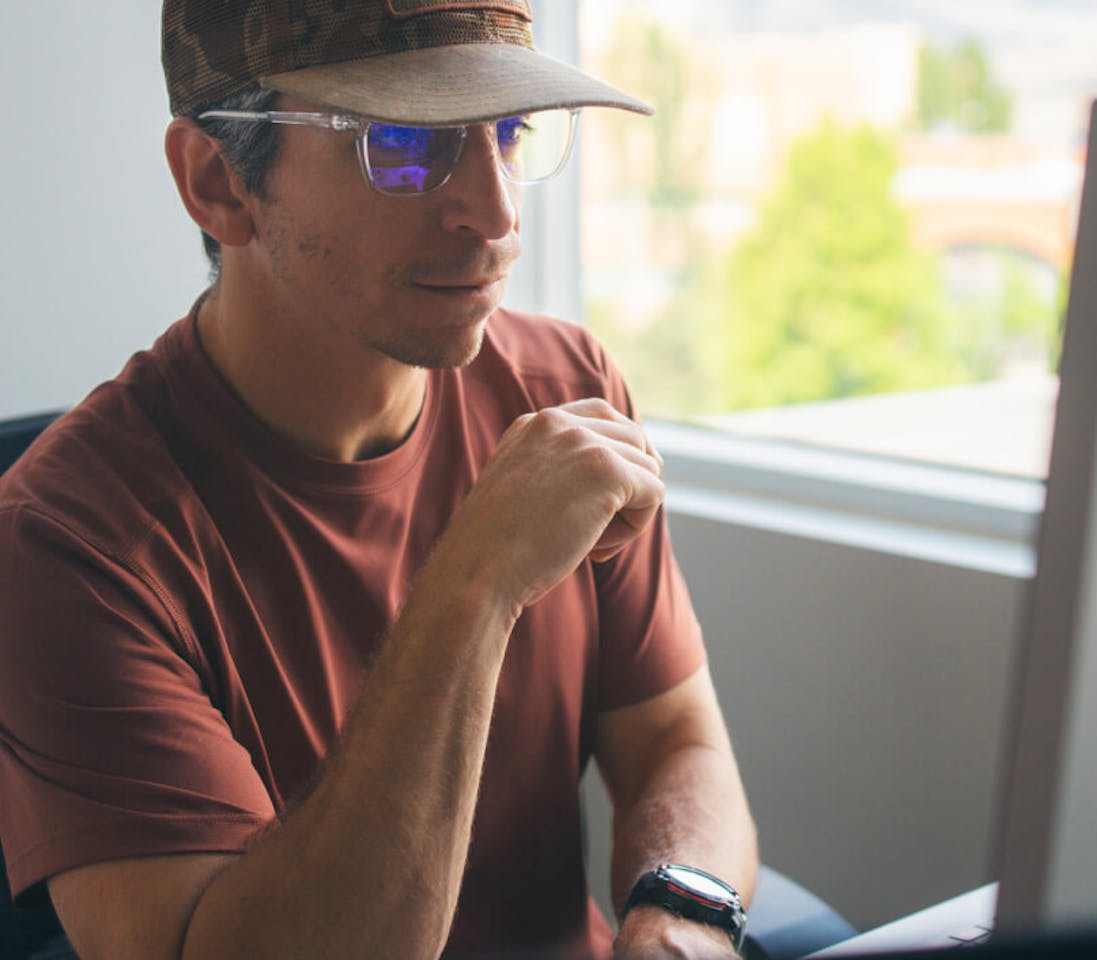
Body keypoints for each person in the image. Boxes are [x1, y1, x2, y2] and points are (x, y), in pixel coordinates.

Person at [0, 2, 758, 959]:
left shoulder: (564, 390)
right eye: (402, 145)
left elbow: (676, 740)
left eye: (508, 136)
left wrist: (680, 914)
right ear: (218, 181)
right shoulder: (66, 538)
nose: (497, 214)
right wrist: (475, 584)